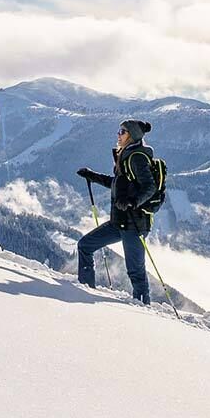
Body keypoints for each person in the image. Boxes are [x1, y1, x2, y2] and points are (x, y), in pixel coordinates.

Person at [76, 119, 158, 304]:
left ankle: (144, 308)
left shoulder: (136, 157)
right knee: (85, 246)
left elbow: (150, 187)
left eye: (122, 131)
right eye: (119, 131)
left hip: (134, 224)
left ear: (132, 135)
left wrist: (132, 202)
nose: (118, 134)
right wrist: (92, 176)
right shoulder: (125, 155)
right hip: (119, 221)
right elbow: (117, 185)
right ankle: (84, 290)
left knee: (136, 272)